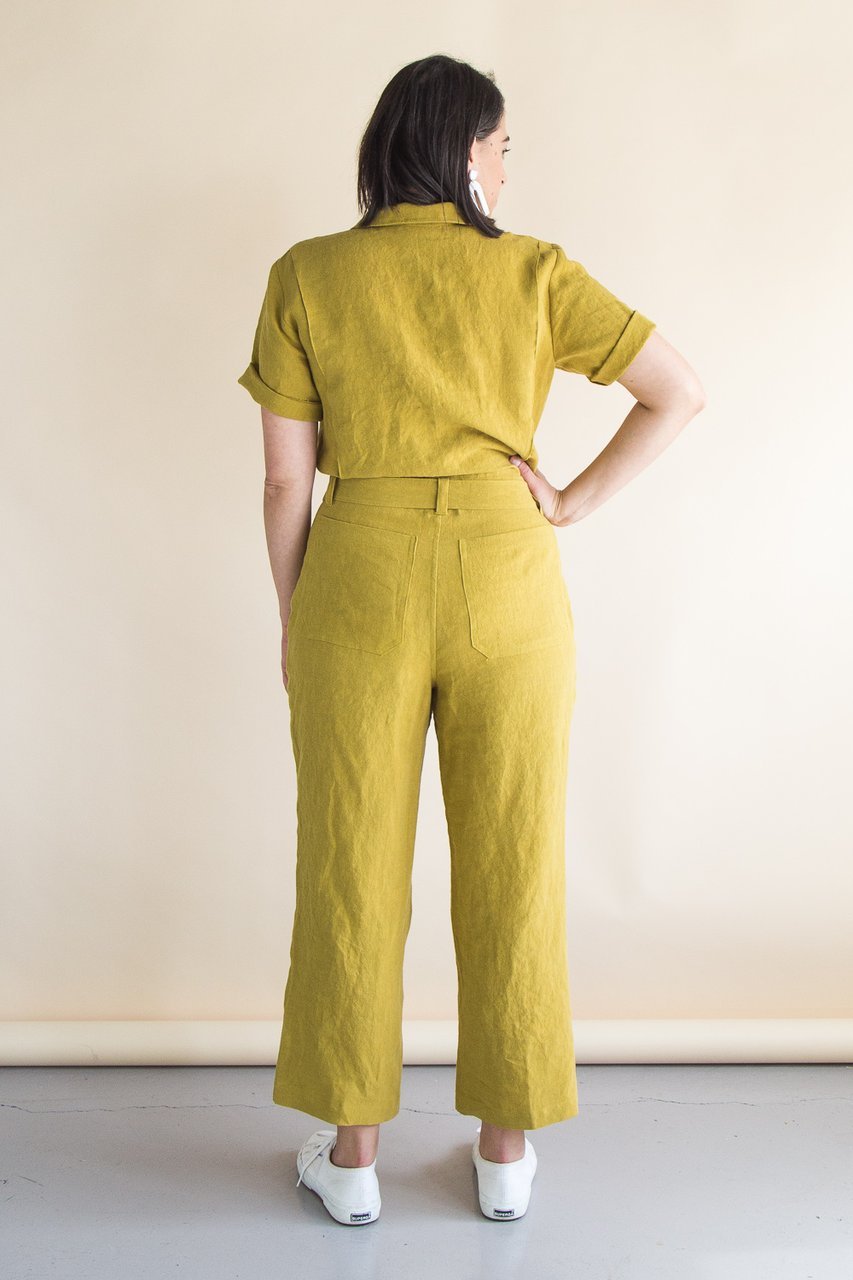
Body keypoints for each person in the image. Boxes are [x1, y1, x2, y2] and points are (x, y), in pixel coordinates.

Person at [236, 54, 706, 1226]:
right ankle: (503, 1150)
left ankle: (352, 1157)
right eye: (501, 148)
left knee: (348, 857)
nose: (506, 168)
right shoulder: (534, 271)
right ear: (460, 152)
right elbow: (677, 389)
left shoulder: (308, 274)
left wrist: (296, 612)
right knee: (514, 855)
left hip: (360, 574)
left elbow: (286, 480)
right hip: (507, 574)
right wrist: (569, 501)